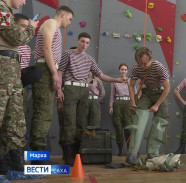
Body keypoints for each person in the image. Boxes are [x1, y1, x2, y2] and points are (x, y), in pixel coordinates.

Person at [57, 32, 127, 166]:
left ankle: (77, 154)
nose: (84, 45)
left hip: (84, 91)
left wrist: (116, 80)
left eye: (87, 43)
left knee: (82, 124)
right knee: (69, 122)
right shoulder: (68, 54)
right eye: (82, 41)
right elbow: (60, 72)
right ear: (77, 41)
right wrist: (59, 89)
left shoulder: (89, 59)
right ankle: (68, 155)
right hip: (70, 89)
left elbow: (101, 75)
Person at [30, 5, 73, 165]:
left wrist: (57, 82)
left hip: (49, 68)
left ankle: (39, 157)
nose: (69, 23)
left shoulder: (55, 27)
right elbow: (46, 48)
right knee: (42, 112)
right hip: (46, 68)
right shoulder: (50, 23)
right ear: (63, 14)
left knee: (45, 113)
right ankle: (37, 160)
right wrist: (54, 73)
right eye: (69, 19)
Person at [0, 0, 38, 173]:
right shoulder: (1, 8)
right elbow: (17, 37)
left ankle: (11, 162)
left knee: (15, 117)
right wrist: (31, 27)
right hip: (3, 64)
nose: (23, 2)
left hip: (12, 65)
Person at [125, 47, 170, 165]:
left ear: (150, 58)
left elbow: (167, 88)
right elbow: (131, 85)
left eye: (146, 63)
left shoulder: (159, 67)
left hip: (160, 93)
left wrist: (157, 105)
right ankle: (132, 154)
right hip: (147, 93)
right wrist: (133, 102)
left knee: (159, 124)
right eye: (141, 63)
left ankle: (152, 155)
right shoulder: (136, 67)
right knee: (138, 121)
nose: (143, 66)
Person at [109, 63, 134, 156]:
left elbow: (134, 94)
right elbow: (112, 95)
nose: (123, 71)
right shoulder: (114, 81)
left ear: (127, 71)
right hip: (118, 104)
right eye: (122, 69)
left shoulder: (131, 81)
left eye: (125, 69)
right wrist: (110, 106)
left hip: (128, 104)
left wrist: (134, 105)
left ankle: (129, 150)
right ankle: (120, 150)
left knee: (129, 127)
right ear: (119, 70)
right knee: (118, 126)